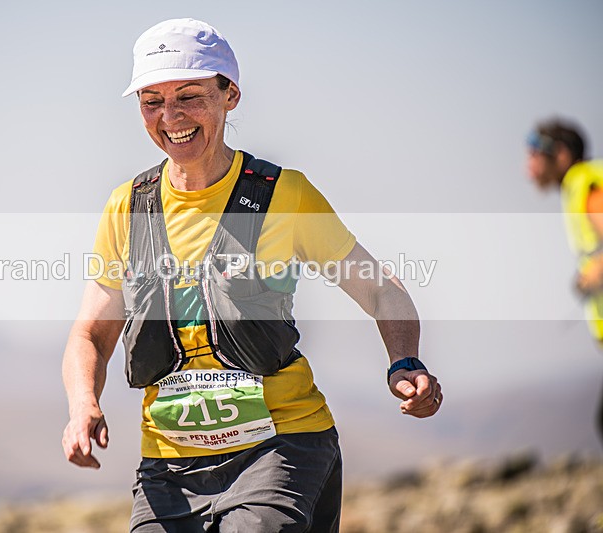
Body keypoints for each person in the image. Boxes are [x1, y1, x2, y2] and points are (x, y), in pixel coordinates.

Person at [62, 18, 442, 532]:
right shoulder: (128, 208)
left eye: (189, 96)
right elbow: (92, 330)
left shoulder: (285, 195)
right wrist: (84, 403)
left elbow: (378, 287)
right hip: (169, 467)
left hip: (281, 450)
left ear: (230, 95)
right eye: (151, 101)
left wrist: (406, 361)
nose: (170, 116)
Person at [525, 118, 603, 444]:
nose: (527, 167)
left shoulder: (586, 182)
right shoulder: (578, 185)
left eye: (533, 154)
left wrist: (593, 274)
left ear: (559, 154)